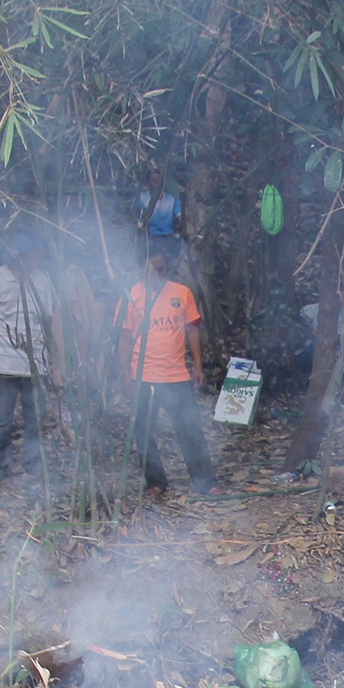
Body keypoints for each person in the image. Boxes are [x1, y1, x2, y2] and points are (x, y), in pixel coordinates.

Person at [116, 241, 215, 495]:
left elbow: (192, 331)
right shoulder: (131, 296)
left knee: (190, 430)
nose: (159, 274)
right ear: (142, 269)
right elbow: (124, 338)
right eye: (154, 269)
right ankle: (156, 482)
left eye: (162, 269)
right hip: (144, 375)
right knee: (144, 433)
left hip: (176, 374)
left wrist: (198, 366)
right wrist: (125, 373)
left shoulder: (181, 293)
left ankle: (205, 482)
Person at [0, 230, 61, 485]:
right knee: (1, 419)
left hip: (35, 363)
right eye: (36, 253)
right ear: (21, 255)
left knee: (35, 417)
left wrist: (51, 358)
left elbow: (49, 320)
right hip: (3, 363)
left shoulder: (42, 280)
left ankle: (33, 462)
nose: (40, 257)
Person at [134, 166, 184, 240]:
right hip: (149, 238)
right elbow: (134, 218)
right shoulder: (141, 199)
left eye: (161, 182)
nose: (159, 185)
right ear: (147, 183)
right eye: (155, 181)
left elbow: (180, 219)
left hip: (169, 238)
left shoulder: (172, 200)